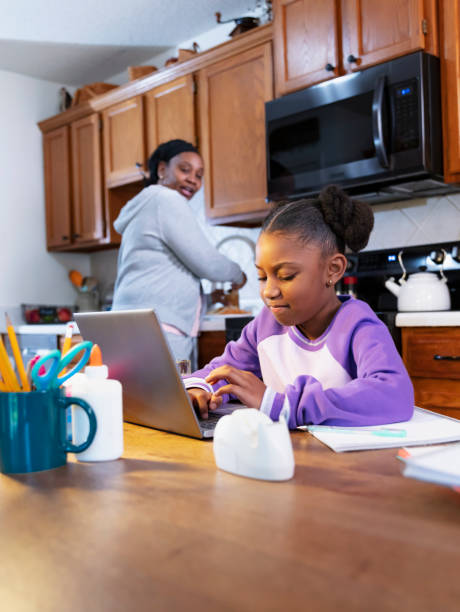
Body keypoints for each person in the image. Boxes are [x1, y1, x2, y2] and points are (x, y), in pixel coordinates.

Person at [184, 185, 414, 428]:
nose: (269, 291)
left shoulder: (357, 325)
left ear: (333, 270)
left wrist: (282, 405)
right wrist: (199, 387)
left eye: (286, 276)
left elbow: (394, 394)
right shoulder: (265, 325)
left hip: (344, 463)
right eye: (262, 277)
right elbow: (223, 371)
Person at [112, 139, 246, 363]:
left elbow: (158, 274)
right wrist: (238, 274)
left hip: (128, 326)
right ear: (162, 169)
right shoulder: (166, 199)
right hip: (157, 329)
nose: (193, 179)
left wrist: (207, 299)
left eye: (199, 175)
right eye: (185, 170)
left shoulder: (145, 205)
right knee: (169, 398)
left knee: (135, 398)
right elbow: (208, 263)